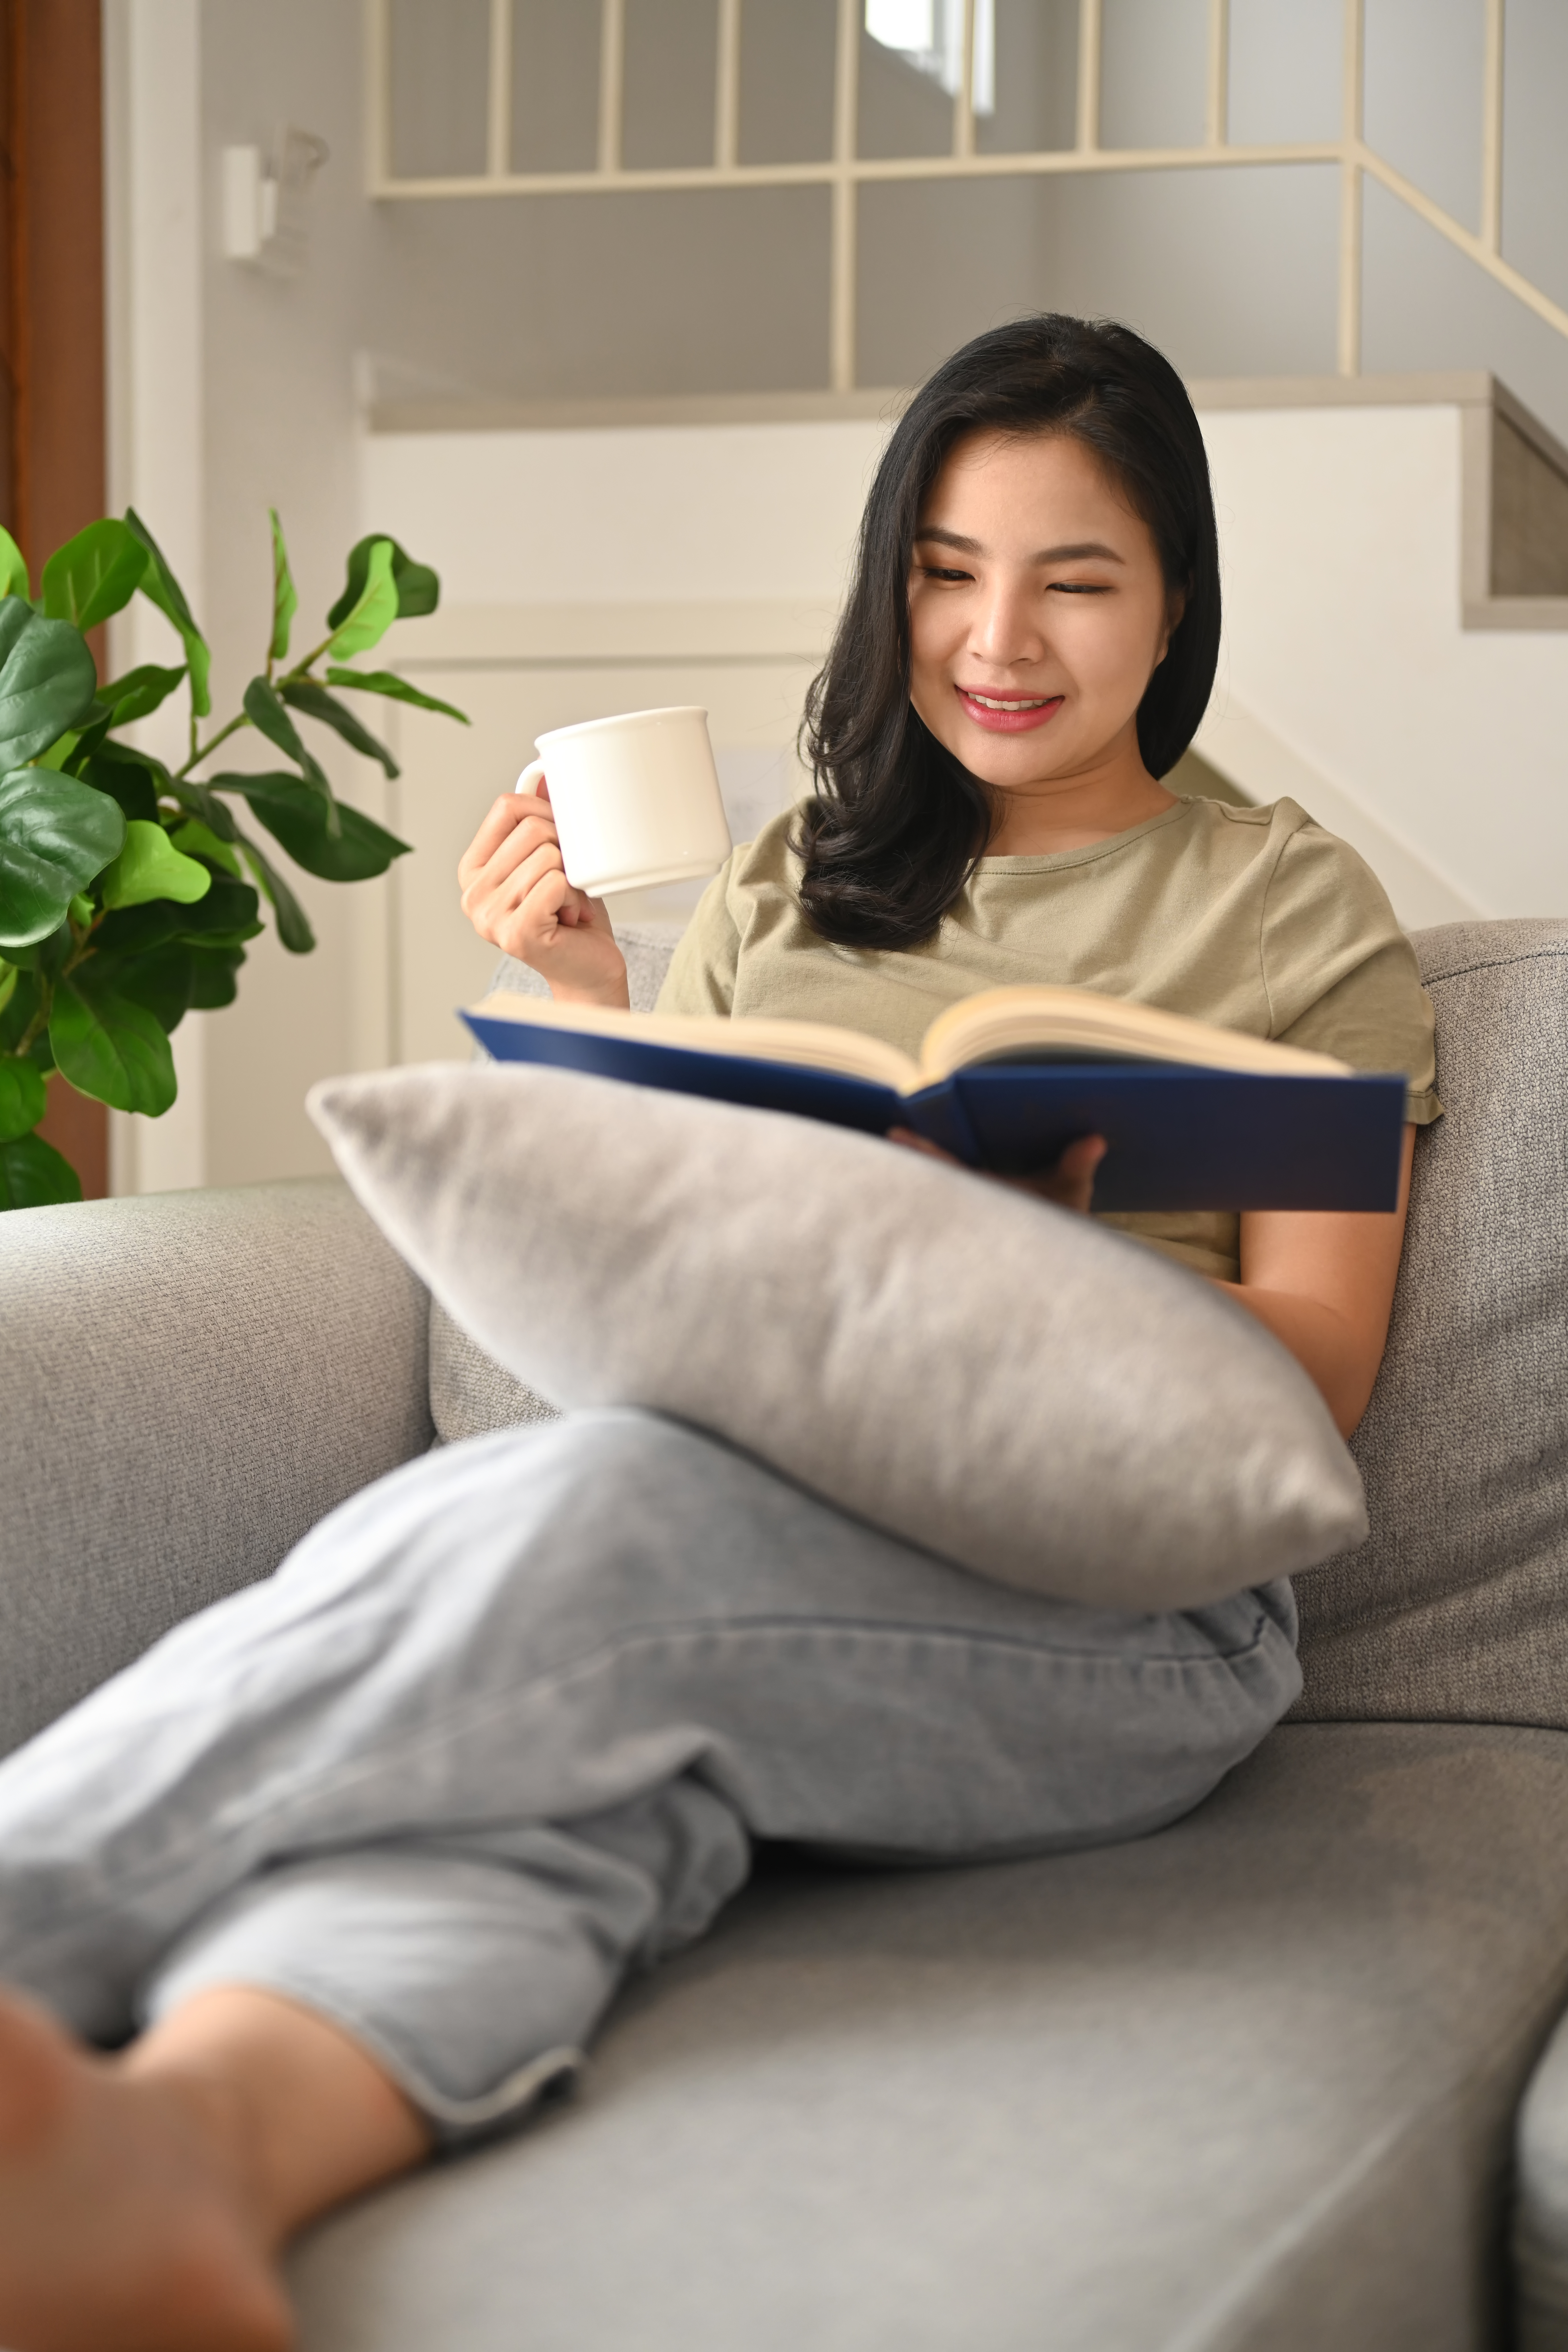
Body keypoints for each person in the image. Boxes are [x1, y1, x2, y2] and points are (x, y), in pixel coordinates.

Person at [0, 316, 1435, 2352]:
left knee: (582, 1528)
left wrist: (1031, 1285)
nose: (998, 636)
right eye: (945, 570)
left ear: (1175, 599)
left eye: (1075, 577)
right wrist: (585, 1000)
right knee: (588, 1777)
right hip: (763, 1515)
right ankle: (188, 2164)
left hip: (1139, 1609)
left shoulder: (1298, 915)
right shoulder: (797, 878)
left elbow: (1327, 1375)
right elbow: (693, 1240)